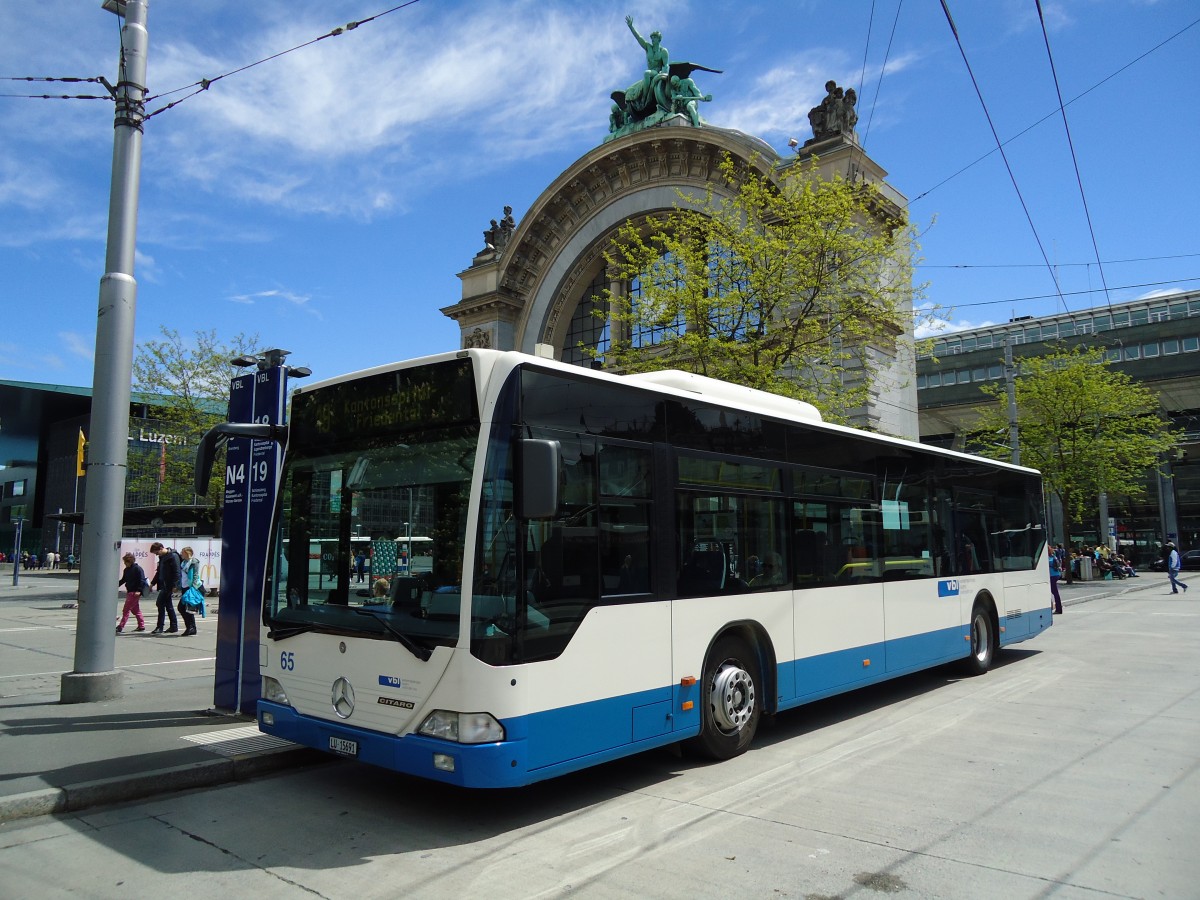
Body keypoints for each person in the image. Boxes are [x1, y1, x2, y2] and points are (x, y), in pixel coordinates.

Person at [149, 541, 181, 634]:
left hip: (169, 585)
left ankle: (160, 627)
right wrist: (152, 583)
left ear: (161, 548)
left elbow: (177, 572)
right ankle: (173, 626)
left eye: (156, 552)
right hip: (164, 584)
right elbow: (159, 572)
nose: (156, 555)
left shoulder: (173, 556)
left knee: (160, 603)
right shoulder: (162, 557)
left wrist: (175, 585)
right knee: (168, 605)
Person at [116, 552, 148, 633]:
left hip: (135, 592)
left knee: (126, 610)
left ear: (129, 561)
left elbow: (142, 580)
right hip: (130, 591)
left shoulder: (138, 569)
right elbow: (124, 580)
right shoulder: (126, 570)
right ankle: (141, 625)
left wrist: (139, 590)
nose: (124, 564)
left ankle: (121, 626)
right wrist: (116, 585)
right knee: (135, 610)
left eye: (125, 562)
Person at [177, 546, 201, 636]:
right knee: (185, 608)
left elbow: (195, 575)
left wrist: (193, 588)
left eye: (182, 552)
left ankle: (191, 627)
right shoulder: (183, 562)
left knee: (183, 608)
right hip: (184, 587)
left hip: (190, 587)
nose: (181, 554)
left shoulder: (194, 562)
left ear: (187, 553)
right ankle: (191, 627)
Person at [1048, 548, 1063, 614]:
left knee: (1054, 592)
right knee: (1054, 592)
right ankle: (1058, 607)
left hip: (1052, 575)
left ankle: (1058, 608)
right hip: (1056, 574)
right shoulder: (1053, 556)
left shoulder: (1047, 558)